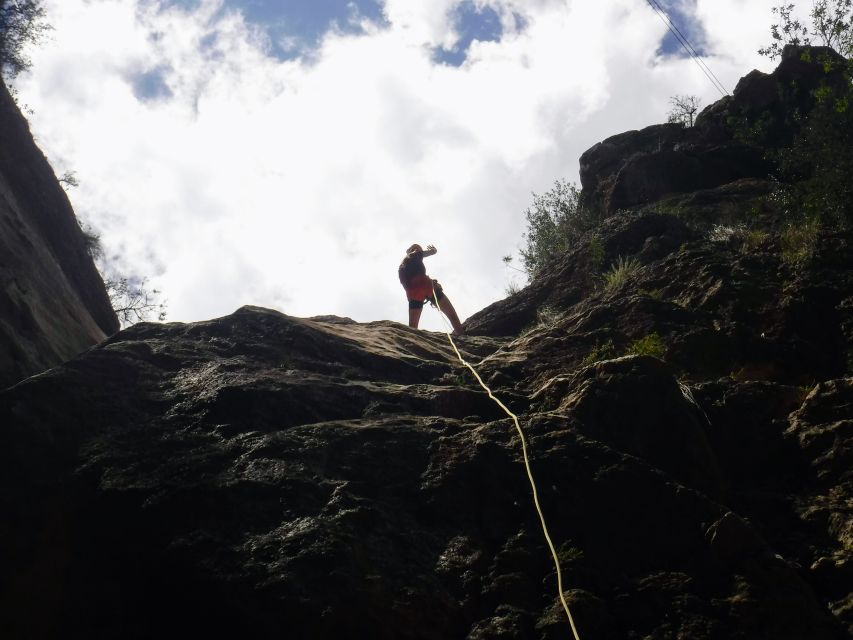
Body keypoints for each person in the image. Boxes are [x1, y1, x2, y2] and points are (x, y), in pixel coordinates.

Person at [398, 243, 464, 333]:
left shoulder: (402, 266)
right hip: (427, 285)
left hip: (412, 293)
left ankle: (411, 341)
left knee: (413, 328)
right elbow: (431, 252)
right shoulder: (415, 253)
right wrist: (433, 250)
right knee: (451, 315)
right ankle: (461, 333)